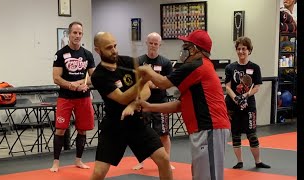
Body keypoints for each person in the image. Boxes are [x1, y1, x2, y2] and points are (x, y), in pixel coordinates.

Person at [138, 29, 231, 180]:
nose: (183, 49)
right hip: (204, 129)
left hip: (209, 128)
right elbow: (179, 105)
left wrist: (146, 70)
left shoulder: (196, 66)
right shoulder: (198, 68)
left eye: (186, 46)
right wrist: (148, 106)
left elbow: (163, 83)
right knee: (202, 175)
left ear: (195, 49)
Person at [90, 32, 173, 180]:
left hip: (137, 123)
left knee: (164, 159)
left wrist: (134, 104)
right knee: (99, 173)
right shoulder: (98, 76)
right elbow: (121, 98)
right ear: (98, 50)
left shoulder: (128, 62)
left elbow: (146, 90)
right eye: (109, 48)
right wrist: (142, 81)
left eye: (115, 46)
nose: (114, 50)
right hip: (114, 127)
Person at [50, 21, 95, 172]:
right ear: (69, 34)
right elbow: (56, 78)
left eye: (80, 33)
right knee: (60, 129)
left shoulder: (87, 54)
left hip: (83, 98)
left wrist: (84, 83)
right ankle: (56, 162)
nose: (77, 35)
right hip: (66, 98)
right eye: (74, 33)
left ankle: (78, 160)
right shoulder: (60, 54)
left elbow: (93, 77)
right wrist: (71, 85)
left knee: (83, 129)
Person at [224, 36, 271, 169]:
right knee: (236, 134)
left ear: (249, 50)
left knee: (252, 134)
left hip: (249, 106)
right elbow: (227, 87)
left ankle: (258, 161)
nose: (241, 51)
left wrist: (245, 95)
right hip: (232, 105)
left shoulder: (255, 67)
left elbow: (256, 87)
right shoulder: (230, 67)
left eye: (244, 49)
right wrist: (236, 98)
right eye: (238, 49)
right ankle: (239, 161)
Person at [132, 32, 175, 170]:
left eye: (156, 44)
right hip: (143, 102)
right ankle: (141, 161)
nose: (153, 46)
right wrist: (145, 84)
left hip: (160, 103)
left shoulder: (165, 63)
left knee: (163, 133)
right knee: (140, 133)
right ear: (146, 43)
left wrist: (154, 84)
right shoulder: (139, 61)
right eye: (151, 43)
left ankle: (167, 161)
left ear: (159, 45)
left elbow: (168, 82)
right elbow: (134, 80)